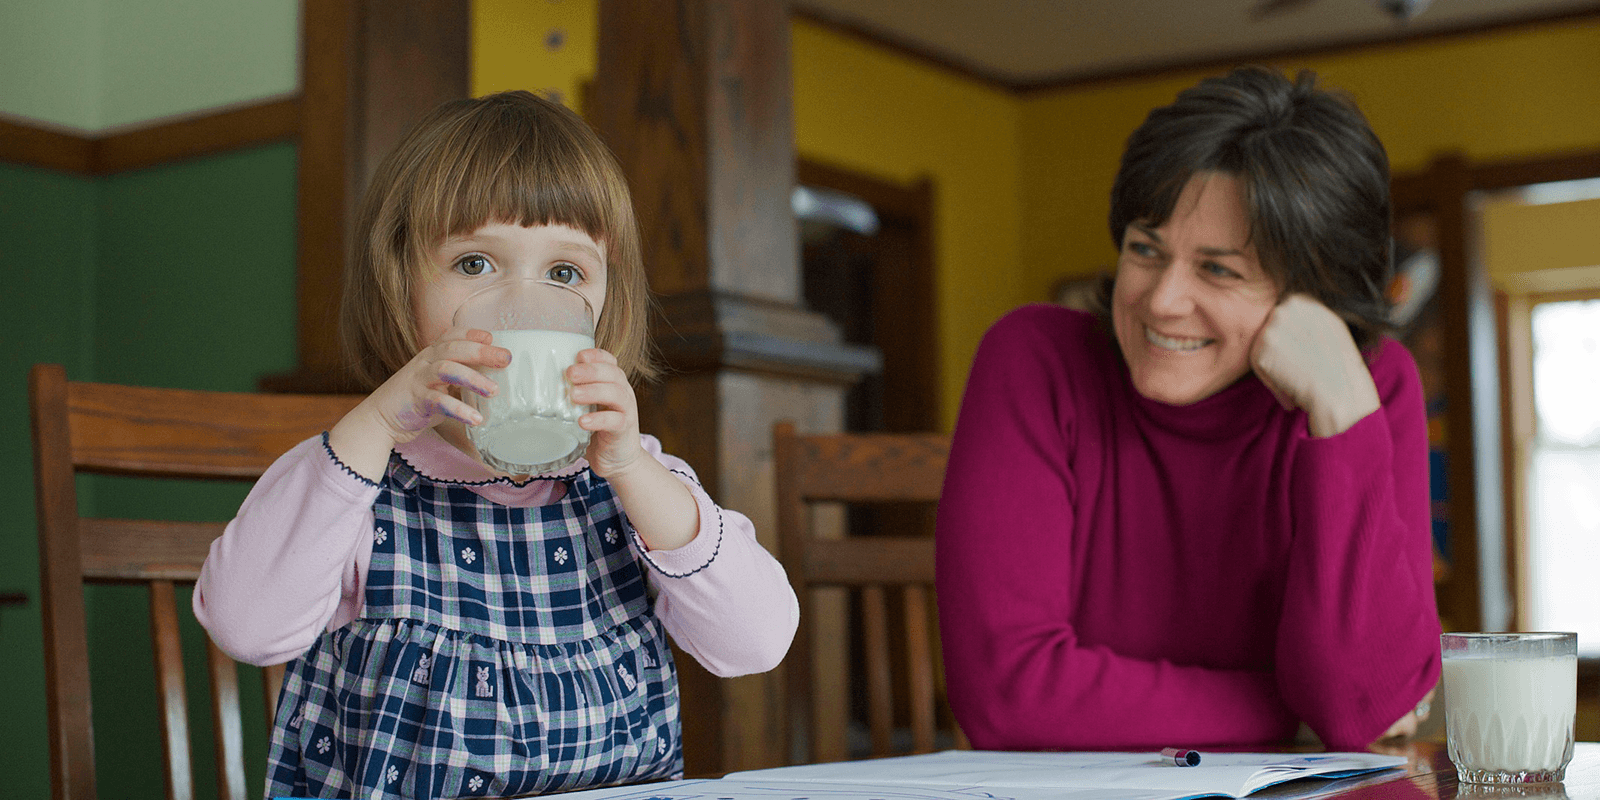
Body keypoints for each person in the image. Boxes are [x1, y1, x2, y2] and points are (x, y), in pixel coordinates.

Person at [194, 91, 798, 798]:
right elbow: (246, 628)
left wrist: (635, 471)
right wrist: (376, 426)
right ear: (400, 287)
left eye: (565, 274)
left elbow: (755, 643)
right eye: (476, 264)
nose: (520, 306)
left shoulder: (634, 484)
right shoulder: (354, 480)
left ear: (603, 308)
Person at [935, 66, 1440, 752]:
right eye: (1147, 249)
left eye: (1219, 269)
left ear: (1312, 295)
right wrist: (1290, 711)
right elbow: (1007, 696)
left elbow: (1364, 705)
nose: (1160, 299)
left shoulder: (1370, 388)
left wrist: (1342, 409)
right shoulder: (1033, 362)